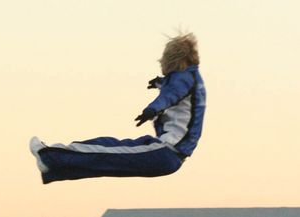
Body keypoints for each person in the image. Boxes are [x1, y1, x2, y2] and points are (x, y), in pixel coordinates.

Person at [29, 32, 206, 184]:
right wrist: (161, 83)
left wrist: (152, 109)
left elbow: (171, 95)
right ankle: (52, 169)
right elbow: (182, 99)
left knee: (105, 148)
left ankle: (48, 156)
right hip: (171, 158)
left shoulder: (182, 78)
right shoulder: (193, 80)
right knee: (106, 164)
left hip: (165, 151)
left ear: (172, 60)